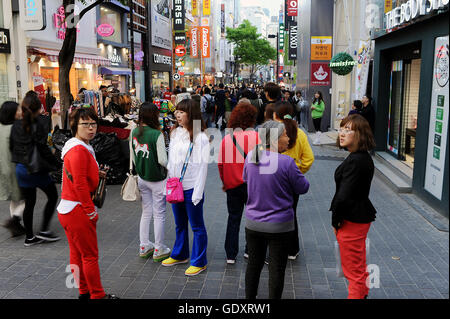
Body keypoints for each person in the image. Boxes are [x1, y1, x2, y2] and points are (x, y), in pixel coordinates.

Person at [244, 121, 310, 299]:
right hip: (279, 225)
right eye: (285, 135)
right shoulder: (287, 162)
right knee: (276, 269)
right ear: (275, 138)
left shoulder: (251, 156)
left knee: (253, 266)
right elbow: (303, 187)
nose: (288, 138)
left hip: (253, 222)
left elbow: (245, 179)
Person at [57, 106, 118, 299]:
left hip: (69, 208)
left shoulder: (78, 146)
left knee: (77, 254)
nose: (91, 128)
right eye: (86, 124)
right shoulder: (78, 150)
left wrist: (96, 173)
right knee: (90, 256)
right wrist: (90, 211)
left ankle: (84, 292)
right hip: (77, 210)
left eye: (94, 124)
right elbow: (80, 185)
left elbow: (79, 176)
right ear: (75, 125)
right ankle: (97, 295)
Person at [330, 114, 377, 299]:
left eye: (348, 130)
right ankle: (363, 294)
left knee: (353, 273)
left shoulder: (357, 161)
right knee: (358, 267)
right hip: (357, 218)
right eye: (341, 128)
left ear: (360, 135)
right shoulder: (359, 158)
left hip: (351, 221)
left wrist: (335, 221)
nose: (342, 133)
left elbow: (343, 196)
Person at [162, 99, 210, 277]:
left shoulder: (201, 137)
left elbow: (202, 167)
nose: (177, 115)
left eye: (182, 112)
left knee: (197, 226)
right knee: (179, 224)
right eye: (177, 112)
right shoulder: (175, 133)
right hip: (176, 186)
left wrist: (198, 192)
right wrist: (169, 180)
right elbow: (172, 160)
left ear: (191, 114)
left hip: (192, 187)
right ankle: (180, 254)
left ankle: (199, 261)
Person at [10, 94, 60, 246]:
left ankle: (29, 237)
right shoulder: (38, 124)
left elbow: (12, 147)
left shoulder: (16, 125)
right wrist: (58, 163)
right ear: (39, 108)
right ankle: (44, 230)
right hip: (35, 170)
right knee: (52, 195)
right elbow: (43, 149)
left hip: (21, 169)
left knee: (30, 202)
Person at [218, 102, 260, 264]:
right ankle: (249, 250)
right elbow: (260, 162)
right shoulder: (256, 137)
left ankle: (230, 254)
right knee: (252, 218)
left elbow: (221, 164)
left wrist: (224, 182)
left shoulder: (227, 139)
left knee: (233, 218)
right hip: (252, 185)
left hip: (232, 186)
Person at [273, 101, 315, 259]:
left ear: (276, 116)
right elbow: (309, 158)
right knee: (291, 213)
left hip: (273, 180)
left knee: (273, 214)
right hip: (292, 181)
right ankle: (292, 249)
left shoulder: (272, 133)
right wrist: (298, 171)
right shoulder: (300, 133)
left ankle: (276, 250)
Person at [131, 102, 171, 262]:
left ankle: (144, 245)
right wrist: (171, 169)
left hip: (142, 178)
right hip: (157, 179)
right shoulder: (157, 134)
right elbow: (162, 159)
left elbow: (133, 157)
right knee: (159, 214)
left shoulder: (134, 131)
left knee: (146, 212)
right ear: (154, 115)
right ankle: (159, 248)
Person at [0, 101, 26, 237]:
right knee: (27, 196)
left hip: (3, 167)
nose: (20, 112)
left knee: (14, 197)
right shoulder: (16, 128)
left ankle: (15, 227)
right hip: (15, 166)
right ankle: (14, 220)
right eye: (18, 110)